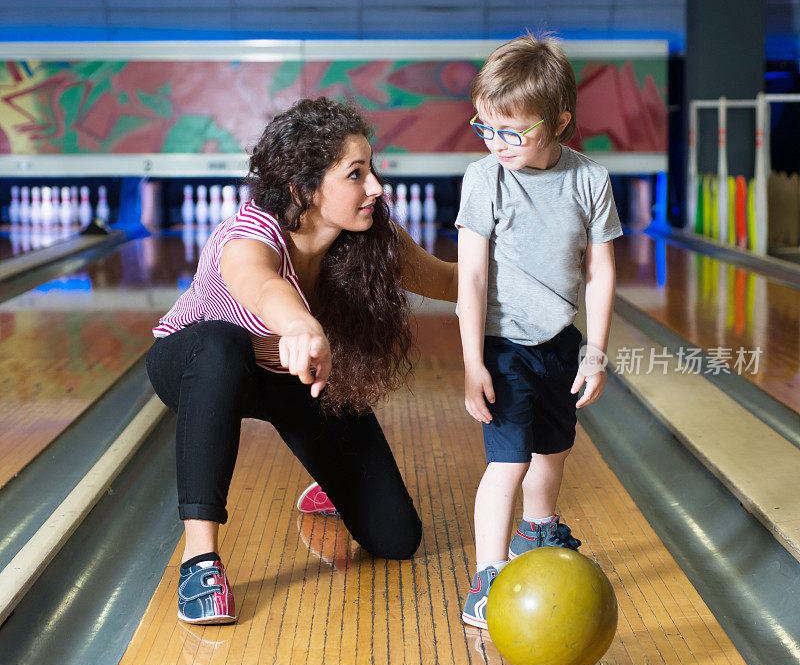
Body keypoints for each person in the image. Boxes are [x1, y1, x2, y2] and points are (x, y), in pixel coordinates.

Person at [147, 97, 457, 625]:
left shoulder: (370, 235)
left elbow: (448, 280)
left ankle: (327, 483)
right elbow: (260, 284)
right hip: (200, 366)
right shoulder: (247, 235)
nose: (376, 187)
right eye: (356, 174)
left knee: (397, 538)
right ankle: (199, 559)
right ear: (302, 189)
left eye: (372, 169)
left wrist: (538, 269)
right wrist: (299, 324)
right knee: (222, 345)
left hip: (296, 378)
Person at [456, 35, 621, 629]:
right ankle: (489, 571)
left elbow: (600, 273)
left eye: (515, 132)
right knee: (508, 462)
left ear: (561, 123)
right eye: (486, 128)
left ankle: (538, 528)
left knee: (555, 448)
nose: (499, 144)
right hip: (502, 347)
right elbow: (471, 278)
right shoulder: (484, 177)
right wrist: (473, 362)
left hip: (561, 341)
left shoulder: (589, 180)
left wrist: (595, 353)